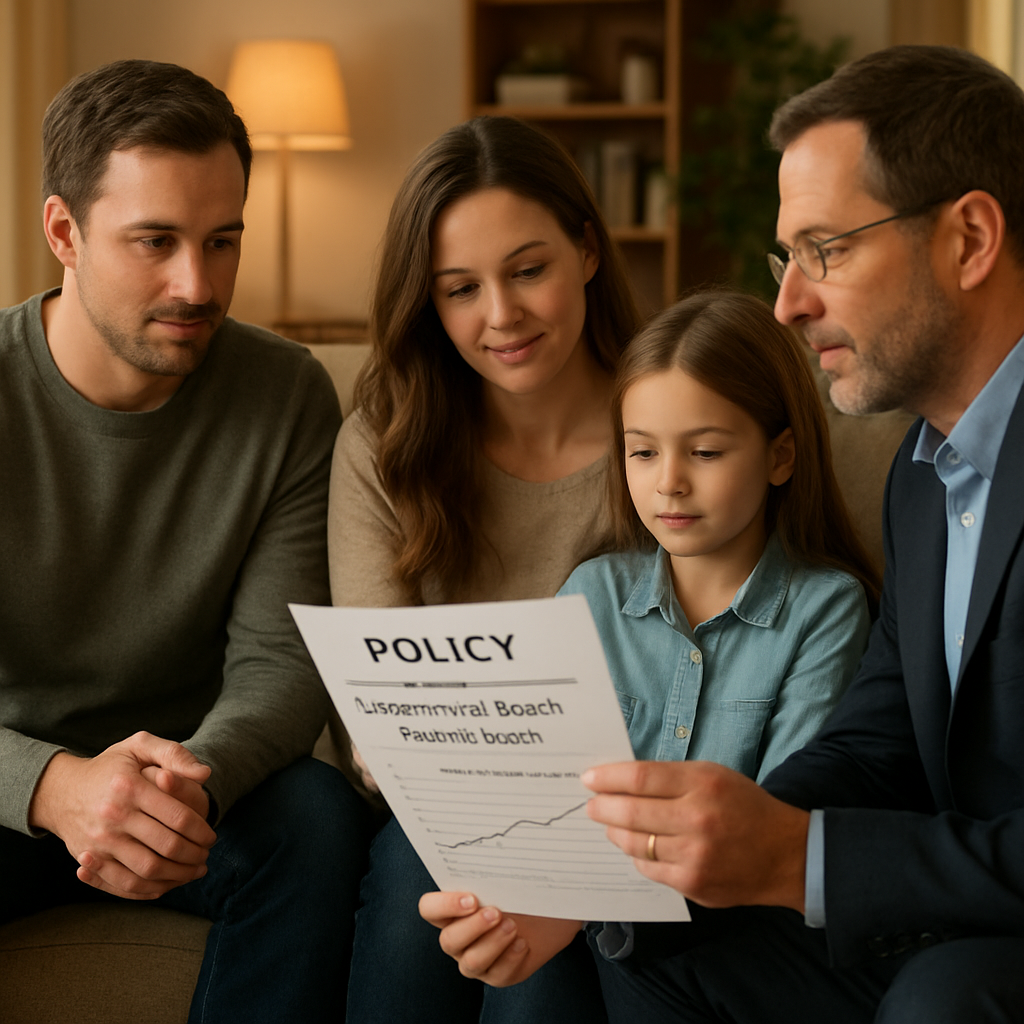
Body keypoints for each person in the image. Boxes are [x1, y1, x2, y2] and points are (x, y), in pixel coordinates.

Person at [579, 44, 1024, 1023]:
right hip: (955, 905)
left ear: (969, 238)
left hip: (982, 940)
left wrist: (804, 857)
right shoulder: (923, 474)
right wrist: (705, 841)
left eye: (828, 250)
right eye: (788, 260)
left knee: (943, 998)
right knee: (652, 926)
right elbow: (876, 743)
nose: (789, 304)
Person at [0, 60, 370, 1023]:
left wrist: (183, 787)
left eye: (222, 241)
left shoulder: (286, 394)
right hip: (8, 790)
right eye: (155, 241)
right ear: (64, 233)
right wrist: (52, 788)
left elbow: (279, 664)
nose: (196, 284)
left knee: (316, 817)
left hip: (193, 788)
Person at [420, 290, 879, 986]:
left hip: (719, 934)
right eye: (642, 452)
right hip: (572, 910)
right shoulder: (593, 591)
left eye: (705, 451)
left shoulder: (826, 609)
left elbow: (777, 823)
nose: (669, 483)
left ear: (780, 455)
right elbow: (537, 795)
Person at [328, 114, 640, 1021]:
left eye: (529, 270)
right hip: (437, 813)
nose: (500, 315)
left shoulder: (672, 429)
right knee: (430, 882)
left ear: (588, 250)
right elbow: (380, 720)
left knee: (529, 948)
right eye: (461, 289)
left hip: (621, 811)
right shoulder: (386, 442)